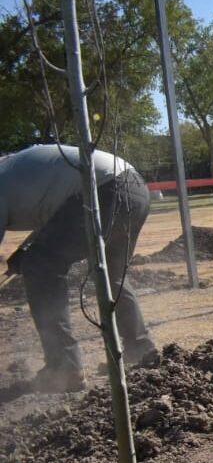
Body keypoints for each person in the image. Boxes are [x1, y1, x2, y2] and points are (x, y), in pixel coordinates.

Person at [0, 144, 156, 392]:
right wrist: (25, 250)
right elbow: (57, 210)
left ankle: (64, 368)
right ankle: (141, 349)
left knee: (41, 268)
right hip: (133, 187)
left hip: (101, 190)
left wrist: (31, 258)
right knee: (110, 275)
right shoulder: (15, 169)